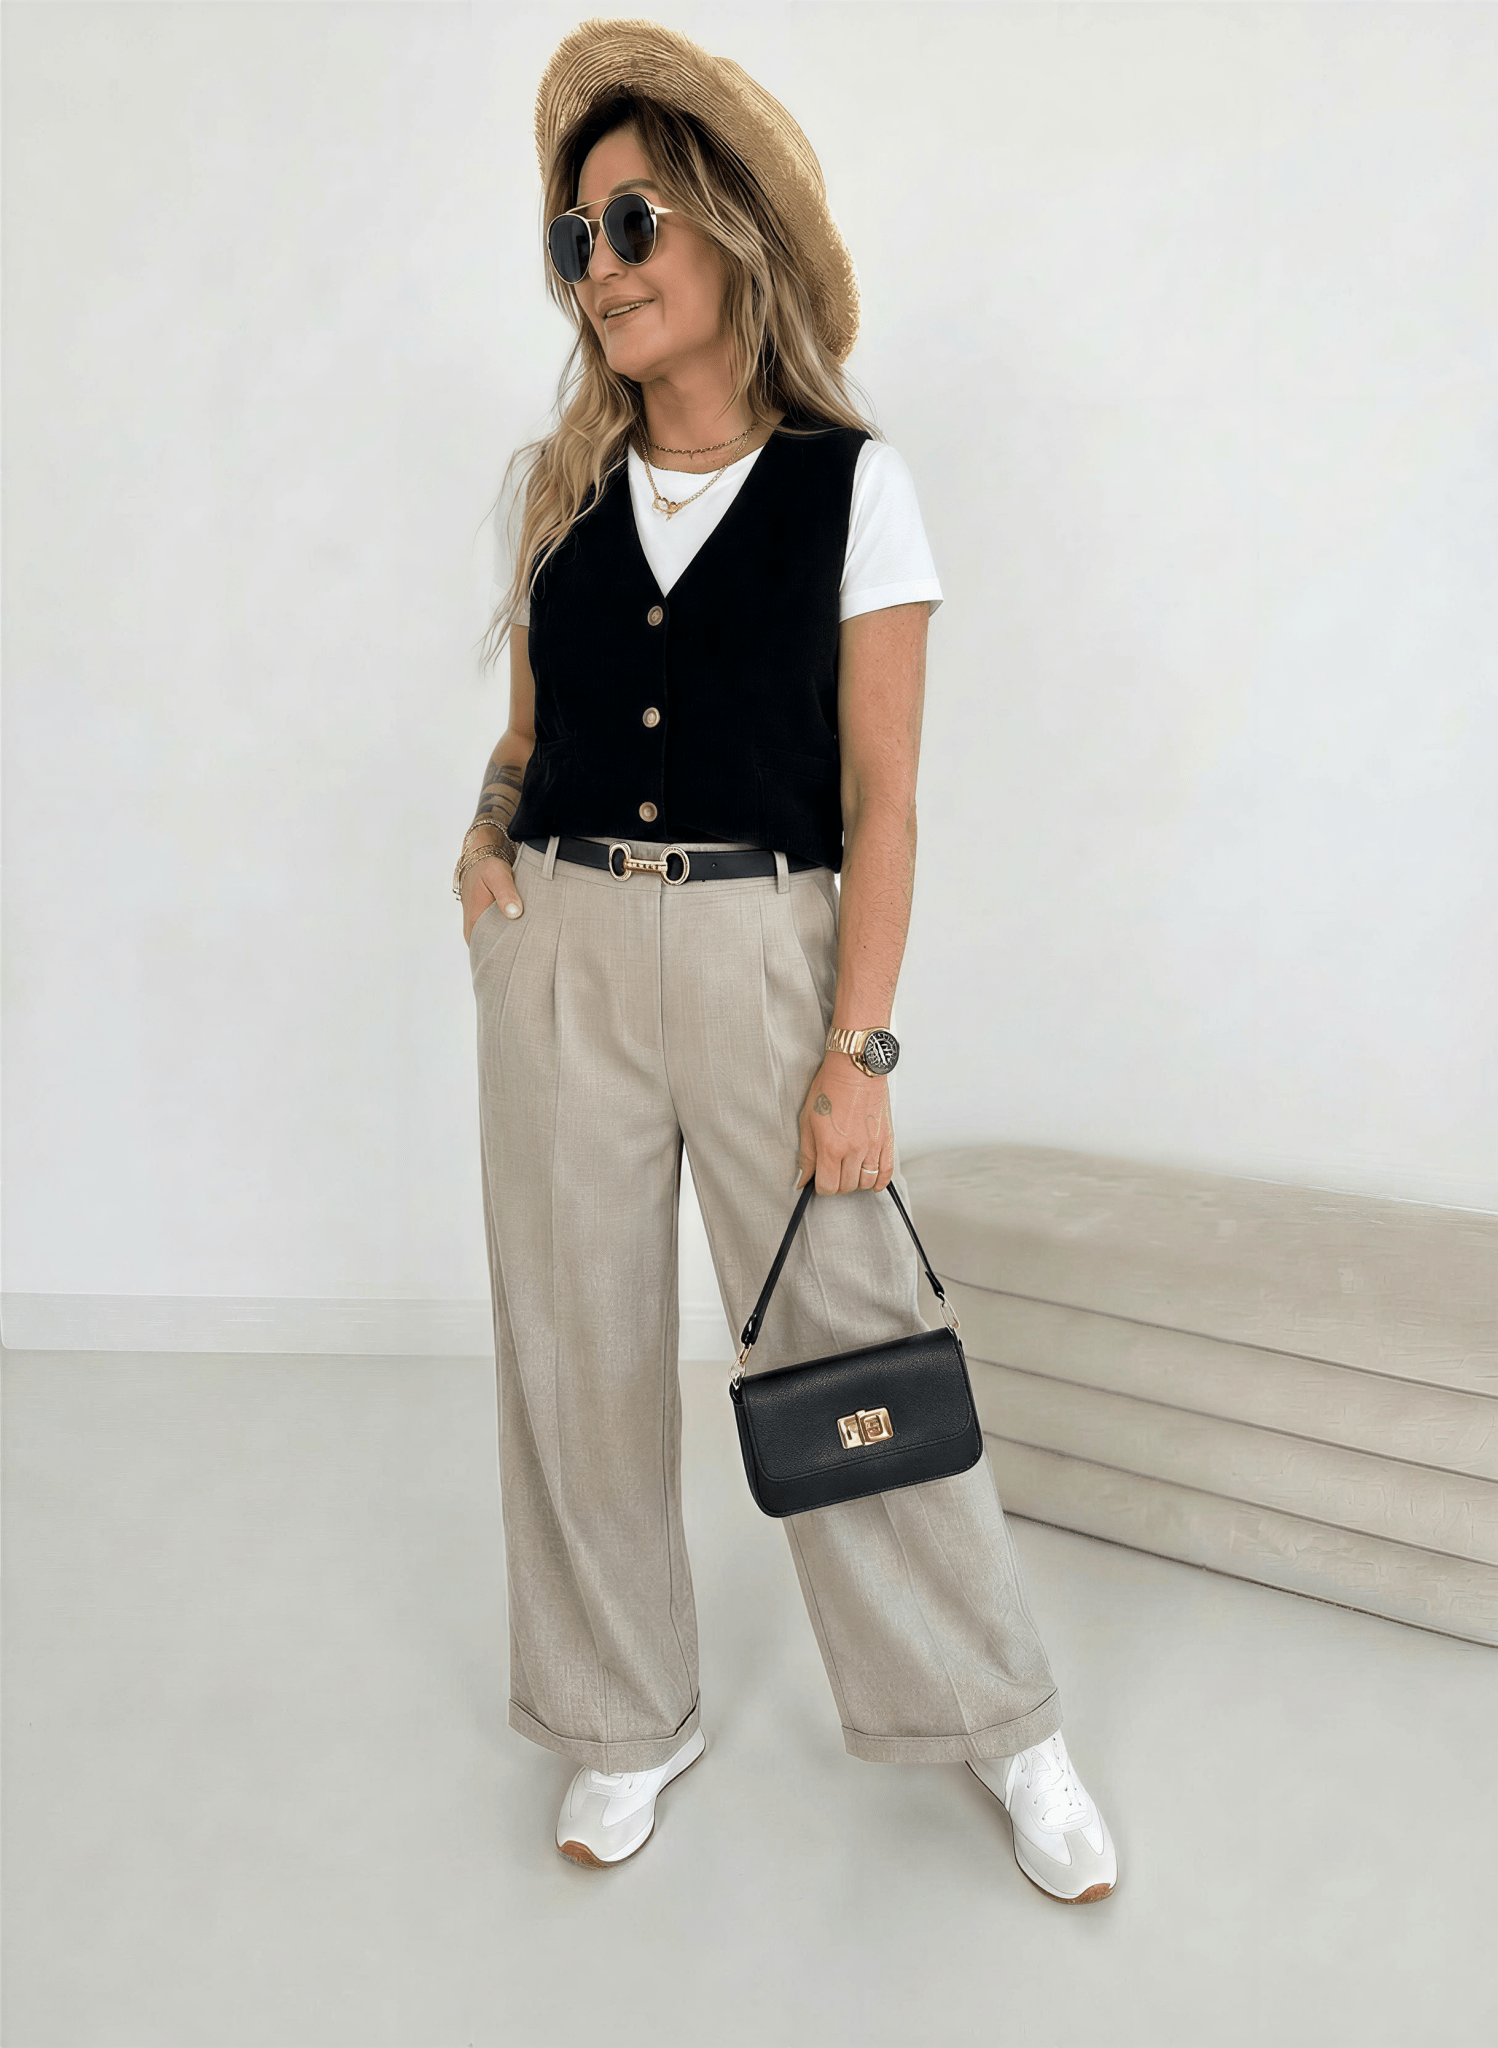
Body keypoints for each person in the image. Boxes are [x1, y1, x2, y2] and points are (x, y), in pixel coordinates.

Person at [457, 19, 1118, 1903]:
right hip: (562, 953)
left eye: (633, 222)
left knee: (850, 1336)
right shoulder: (559, 490)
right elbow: (528, 734)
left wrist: (861, 1052)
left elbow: (886, 801)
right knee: (575, 1348)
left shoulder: (853, 485)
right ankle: (622, 1712)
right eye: (574, 240)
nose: (600, 269)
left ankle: (998, 1717)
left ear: (728, 228)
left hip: (769, 954)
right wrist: (483, 847)